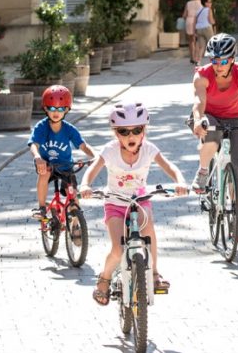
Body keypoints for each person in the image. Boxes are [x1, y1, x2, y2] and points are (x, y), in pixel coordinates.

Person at [80, 102, 188, 305]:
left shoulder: (149, 149)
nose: (131, 136)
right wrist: (85, 185)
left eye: (136, 130)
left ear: (144, 131)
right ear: (116, 133)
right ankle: (104, 278)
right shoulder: (110, 150)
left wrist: (179, 181)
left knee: (148, 233)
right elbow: (93, 169)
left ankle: (154, 273)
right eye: (123, 131)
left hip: (139, 202)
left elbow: (169, 166)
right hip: (115, 203)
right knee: (118, 249)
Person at [189, 33, 238, 241]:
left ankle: (237, 217)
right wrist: (198, 119)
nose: (218, 65)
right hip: (209, 116)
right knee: (211, 138)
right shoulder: (202, 75)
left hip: (235, 118)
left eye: (223, 61)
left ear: (232, 59)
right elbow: (198, 102)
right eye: (214, 60)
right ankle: (204, 171)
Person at [28, 84, 96, 221]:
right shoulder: (41, 127)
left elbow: (83, 145)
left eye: (60, 109)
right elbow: (33, 144)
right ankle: (42, 207)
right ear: (46, 109)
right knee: (44, 172)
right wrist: (37, 157)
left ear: (67, 110)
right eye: (52, 108)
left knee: (73, 195)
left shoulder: (69, 129)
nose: (56, 112)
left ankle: (77, 223)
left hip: (66, 167)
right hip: (47, 165)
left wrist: (95, 156)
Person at [182, 0, 203, 64]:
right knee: (197, 40)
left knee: (191, 41)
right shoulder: (199, 3)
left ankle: (192, 57)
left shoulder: (188, 3)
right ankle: (196, 58)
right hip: (196, 22)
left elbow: (184, 15)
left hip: (189, 21)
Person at [194, 0, 216, 64]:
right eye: (209, 2)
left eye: (211, 2)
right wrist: (214, 22)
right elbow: (210, 20)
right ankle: (213, 61)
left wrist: (195, 31)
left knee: (202, 46)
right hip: (207, 28)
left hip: (199, 29)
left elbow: (195, 21)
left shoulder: (198, 10)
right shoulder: (209, 10)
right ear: (205, 3)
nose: (210, 4)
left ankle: (198, 61)